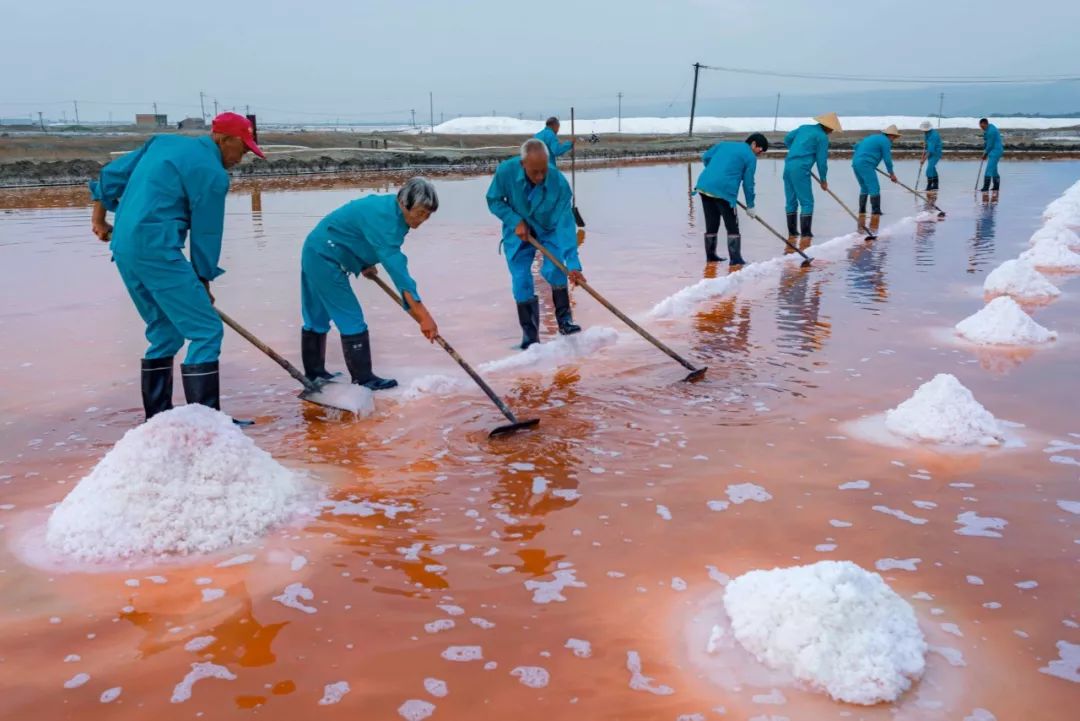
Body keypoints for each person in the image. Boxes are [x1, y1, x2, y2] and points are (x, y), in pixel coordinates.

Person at [89, 112, 264, 422]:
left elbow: (112, 176)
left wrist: (99, 219)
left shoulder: (162, 143)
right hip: (157, 249)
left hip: (126, 246)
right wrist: (203, 280)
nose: (244, 157)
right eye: (244, 149)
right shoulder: (212, 173)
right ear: (225, 139)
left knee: (165, 332)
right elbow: (206, 233)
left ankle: (158, 421)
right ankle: (207, 424)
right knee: (206, 331)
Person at [299, 178, 440, 391]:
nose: (423, 219)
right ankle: (364, 379)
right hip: (325, 256)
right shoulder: (386, 221)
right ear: (403, 203)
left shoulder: (391, 210)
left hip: (317, 248)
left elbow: (357, 232)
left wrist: (364, 261)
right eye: (419, 213)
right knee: (350, 318)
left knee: (316, 317)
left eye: (428, 215)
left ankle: (315, 374)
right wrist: (424, 317)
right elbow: (399, 274)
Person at [486, 138, 585, 349]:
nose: (540, 177)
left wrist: (574, 265)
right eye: (534, 172)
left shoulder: (558, 183)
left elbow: (566, 226)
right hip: (519, 231)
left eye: (544, 171)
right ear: (523, 164)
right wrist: (515, 221)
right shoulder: (505, 172)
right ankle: (530, 337)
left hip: (548, 229)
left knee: (556, 268)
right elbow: (493, 200)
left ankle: (565, 322)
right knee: (521, 279)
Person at [693, 133, 769, 266]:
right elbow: (748, 183)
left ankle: (711, 257)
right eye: (760, 149)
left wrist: (714, 171)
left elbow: (705, 157)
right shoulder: (750, 157)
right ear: (753, 144)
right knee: (732, 225)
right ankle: (735, 259)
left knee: (712, 222)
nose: (760, 153)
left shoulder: (724, 145)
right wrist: (750, 205)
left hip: (704, 186)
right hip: (724, 191)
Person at [783, 112, 842, 243]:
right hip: (801, 169)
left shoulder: (804, 128)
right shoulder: (822, 137)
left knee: (791, 201)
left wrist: (796, 150)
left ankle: (792, 234)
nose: (831, 131)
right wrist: (823, 180)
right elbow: (822, 162)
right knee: (807, 202)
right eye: (832, 128)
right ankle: (806, 235)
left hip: (788, 165)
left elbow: (787, 139)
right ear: (827, 126)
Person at [852, 125, 901, 219]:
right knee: (874, 188)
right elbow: (887, 159)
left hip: (855, 163)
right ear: (890, 135)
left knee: (864, 188)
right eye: (894, 137)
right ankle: (876, 213)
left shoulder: (873, 137)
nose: (894, 139)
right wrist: (892, 174)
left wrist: (867, 157)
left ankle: (862, 212)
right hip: (866, 164)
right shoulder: (886, 141)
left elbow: (857, 146)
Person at [979, 118, 1003, 192]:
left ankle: (985, 188)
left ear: (986, 124)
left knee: (989, 169)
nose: (982, 128)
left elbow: (990, 144)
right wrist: (986, 151)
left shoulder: (991, 131)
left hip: (995, 151)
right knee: (994, 170)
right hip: (993, 151)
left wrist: (985, 153)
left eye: (983, 127)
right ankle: (996, 187)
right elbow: (987, 141)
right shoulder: (988, 129)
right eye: (981, 127)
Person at [919, 120, 943, 191]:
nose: (924, 131)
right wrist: (922, 156)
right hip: (930, 152)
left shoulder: (933, 135)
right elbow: (926, 145)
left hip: (935, 153)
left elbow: (930, 150)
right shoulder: (926, 133)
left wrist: (923, 159)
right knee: (932, 168)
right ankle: (935, 185)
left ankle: (929, 186)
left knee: (929, 169)